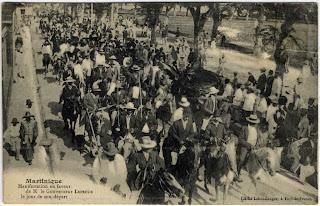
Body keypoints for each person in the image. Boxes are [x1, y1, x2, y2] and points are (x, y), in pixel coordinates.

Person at [236, 114, 260, 182]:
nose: (253, 123)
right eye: (252, 122)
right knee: (241, 159)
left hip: (253, 148)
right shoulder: (245, 128)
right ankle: (237, 173)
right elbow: (240, 139)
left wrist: (256, 145)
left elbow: (257, 139)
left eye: (254, 122)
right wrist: (249, 145)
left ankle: (255, 173)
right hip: (245, 146)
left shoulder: (256, 129)